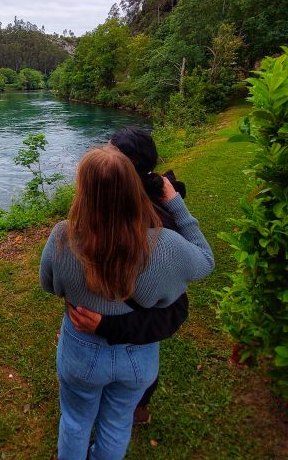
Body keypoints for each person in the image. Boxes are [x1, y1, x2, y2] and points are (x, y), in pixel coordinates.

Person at [40, 145, 213, 460]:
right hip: (138, 356)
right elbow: (206, 260)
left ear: (83, 191)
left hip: (80, 348)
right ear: (134, 188)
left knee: (77, 420)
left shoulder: (63, 237)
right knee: (118, 420)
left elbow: (49, 285)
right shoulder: (166, 245)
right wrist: (176, 204)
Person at [67, 128, 189, 425]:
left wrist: (108, 325)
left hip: (131, 346)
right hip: (93, 344)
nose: (101, 161)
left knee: (117, 412)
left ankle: (136, 407)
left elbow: (175, 309)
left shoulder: (157, 228)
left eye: (109, 157)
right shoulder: (105, 211)